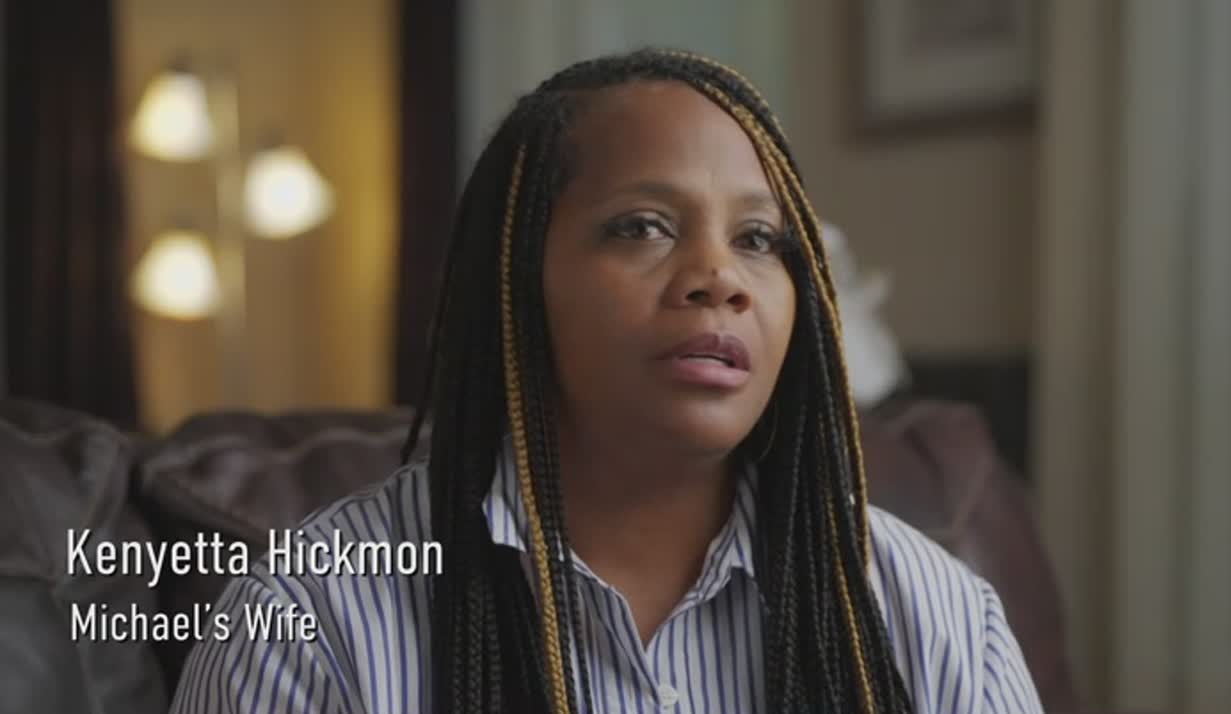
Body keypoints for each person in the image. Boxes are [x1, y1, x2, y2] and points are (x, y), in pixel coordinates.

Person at [172, 49, 1042, 714]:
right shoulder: (310, 620)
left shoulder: (938, 615)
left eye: (758, 240)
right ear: (517, 281)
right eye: (644, 226)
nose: (720, 277)